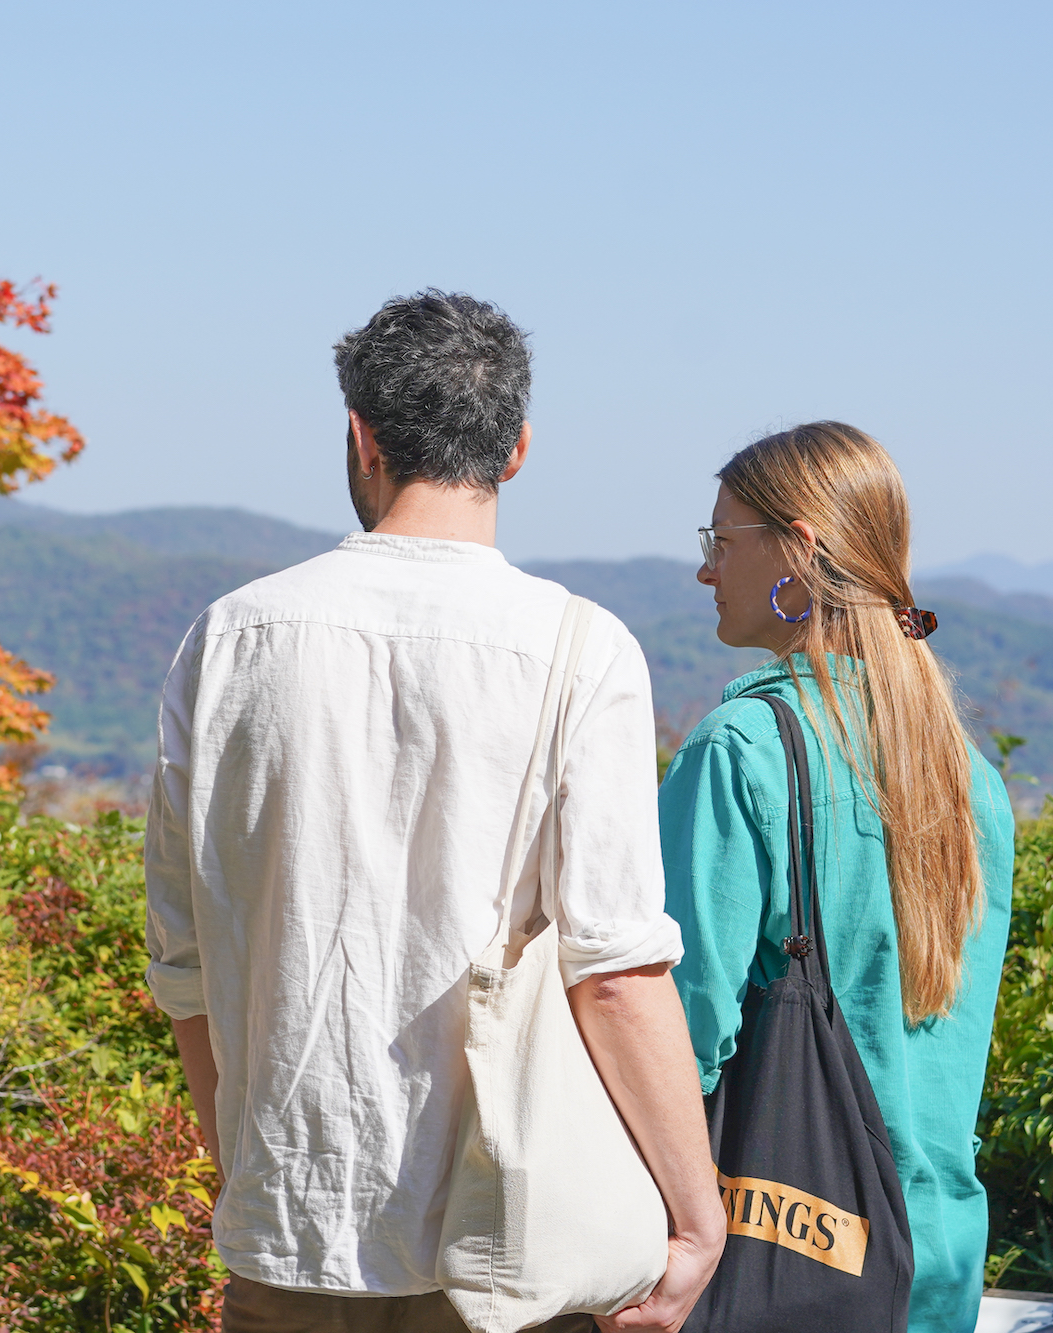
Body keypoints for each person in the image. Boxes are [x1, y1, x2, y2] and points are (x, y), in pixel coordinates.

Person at [144, 291, 724, 1333]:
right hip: (511, 1237)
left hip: (290, 1225)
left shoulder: (227, 637)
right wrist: (695, 1220)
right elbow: (617, 974)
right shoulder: (579, 650)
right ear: (517, 450)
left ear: (359, 436)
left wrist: (243, 1167)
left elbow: (182, 961)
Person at [661, 422, 1016, 1333]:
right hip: (933, 1252)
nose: (706, 570)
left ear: (799, 550)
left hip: (784, 1244)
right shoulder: (969, 777)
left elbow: (680, 1034)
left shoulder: (741, 752)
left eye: (719, 541)